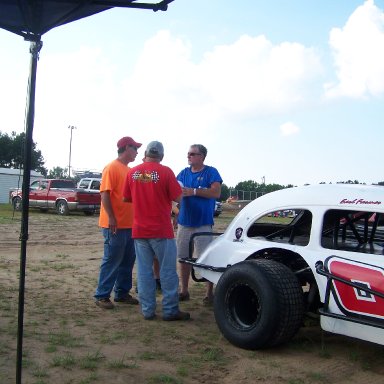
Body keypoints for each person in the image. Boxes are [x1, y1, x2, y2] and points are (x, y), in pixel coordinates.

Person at [123, 141, 190, 321]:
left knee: (144, 272)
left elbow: (126, 198)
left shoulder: (132, 172)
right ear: (161, 156)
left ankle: (147, 310)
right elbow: (178, 197)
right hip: (161, 230)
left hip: (139, 230)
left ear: (145, 153)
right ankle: (170, 310)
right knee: (167, 271)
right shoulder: (166, 172)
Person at [94, 136, 141, 309]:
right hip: (114, 224)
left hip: (129, 224)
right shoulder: (112, 167)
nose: (137, 152)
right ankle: (102, 295)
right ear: (126, 148)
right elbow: (104, 194)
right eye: (135, 148)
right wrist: (112, 217)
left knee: (127, 261)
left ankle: (122, 293)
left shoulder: (128, 170)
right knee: (112, 259)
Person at [176, 144, 222, 305]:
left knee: (207, 259)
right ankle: (184, 290)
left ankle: (209, 294)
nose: (188, 156)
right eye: (188, 153)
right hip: (184, 223)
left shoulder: (211, 172)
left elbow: (216, 192)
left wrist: (194, 191)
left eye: (192, 154)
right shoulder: (183, 173)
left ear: (202, 156)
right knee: (183, 258)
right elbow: (174, 192)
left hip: (203, 224)